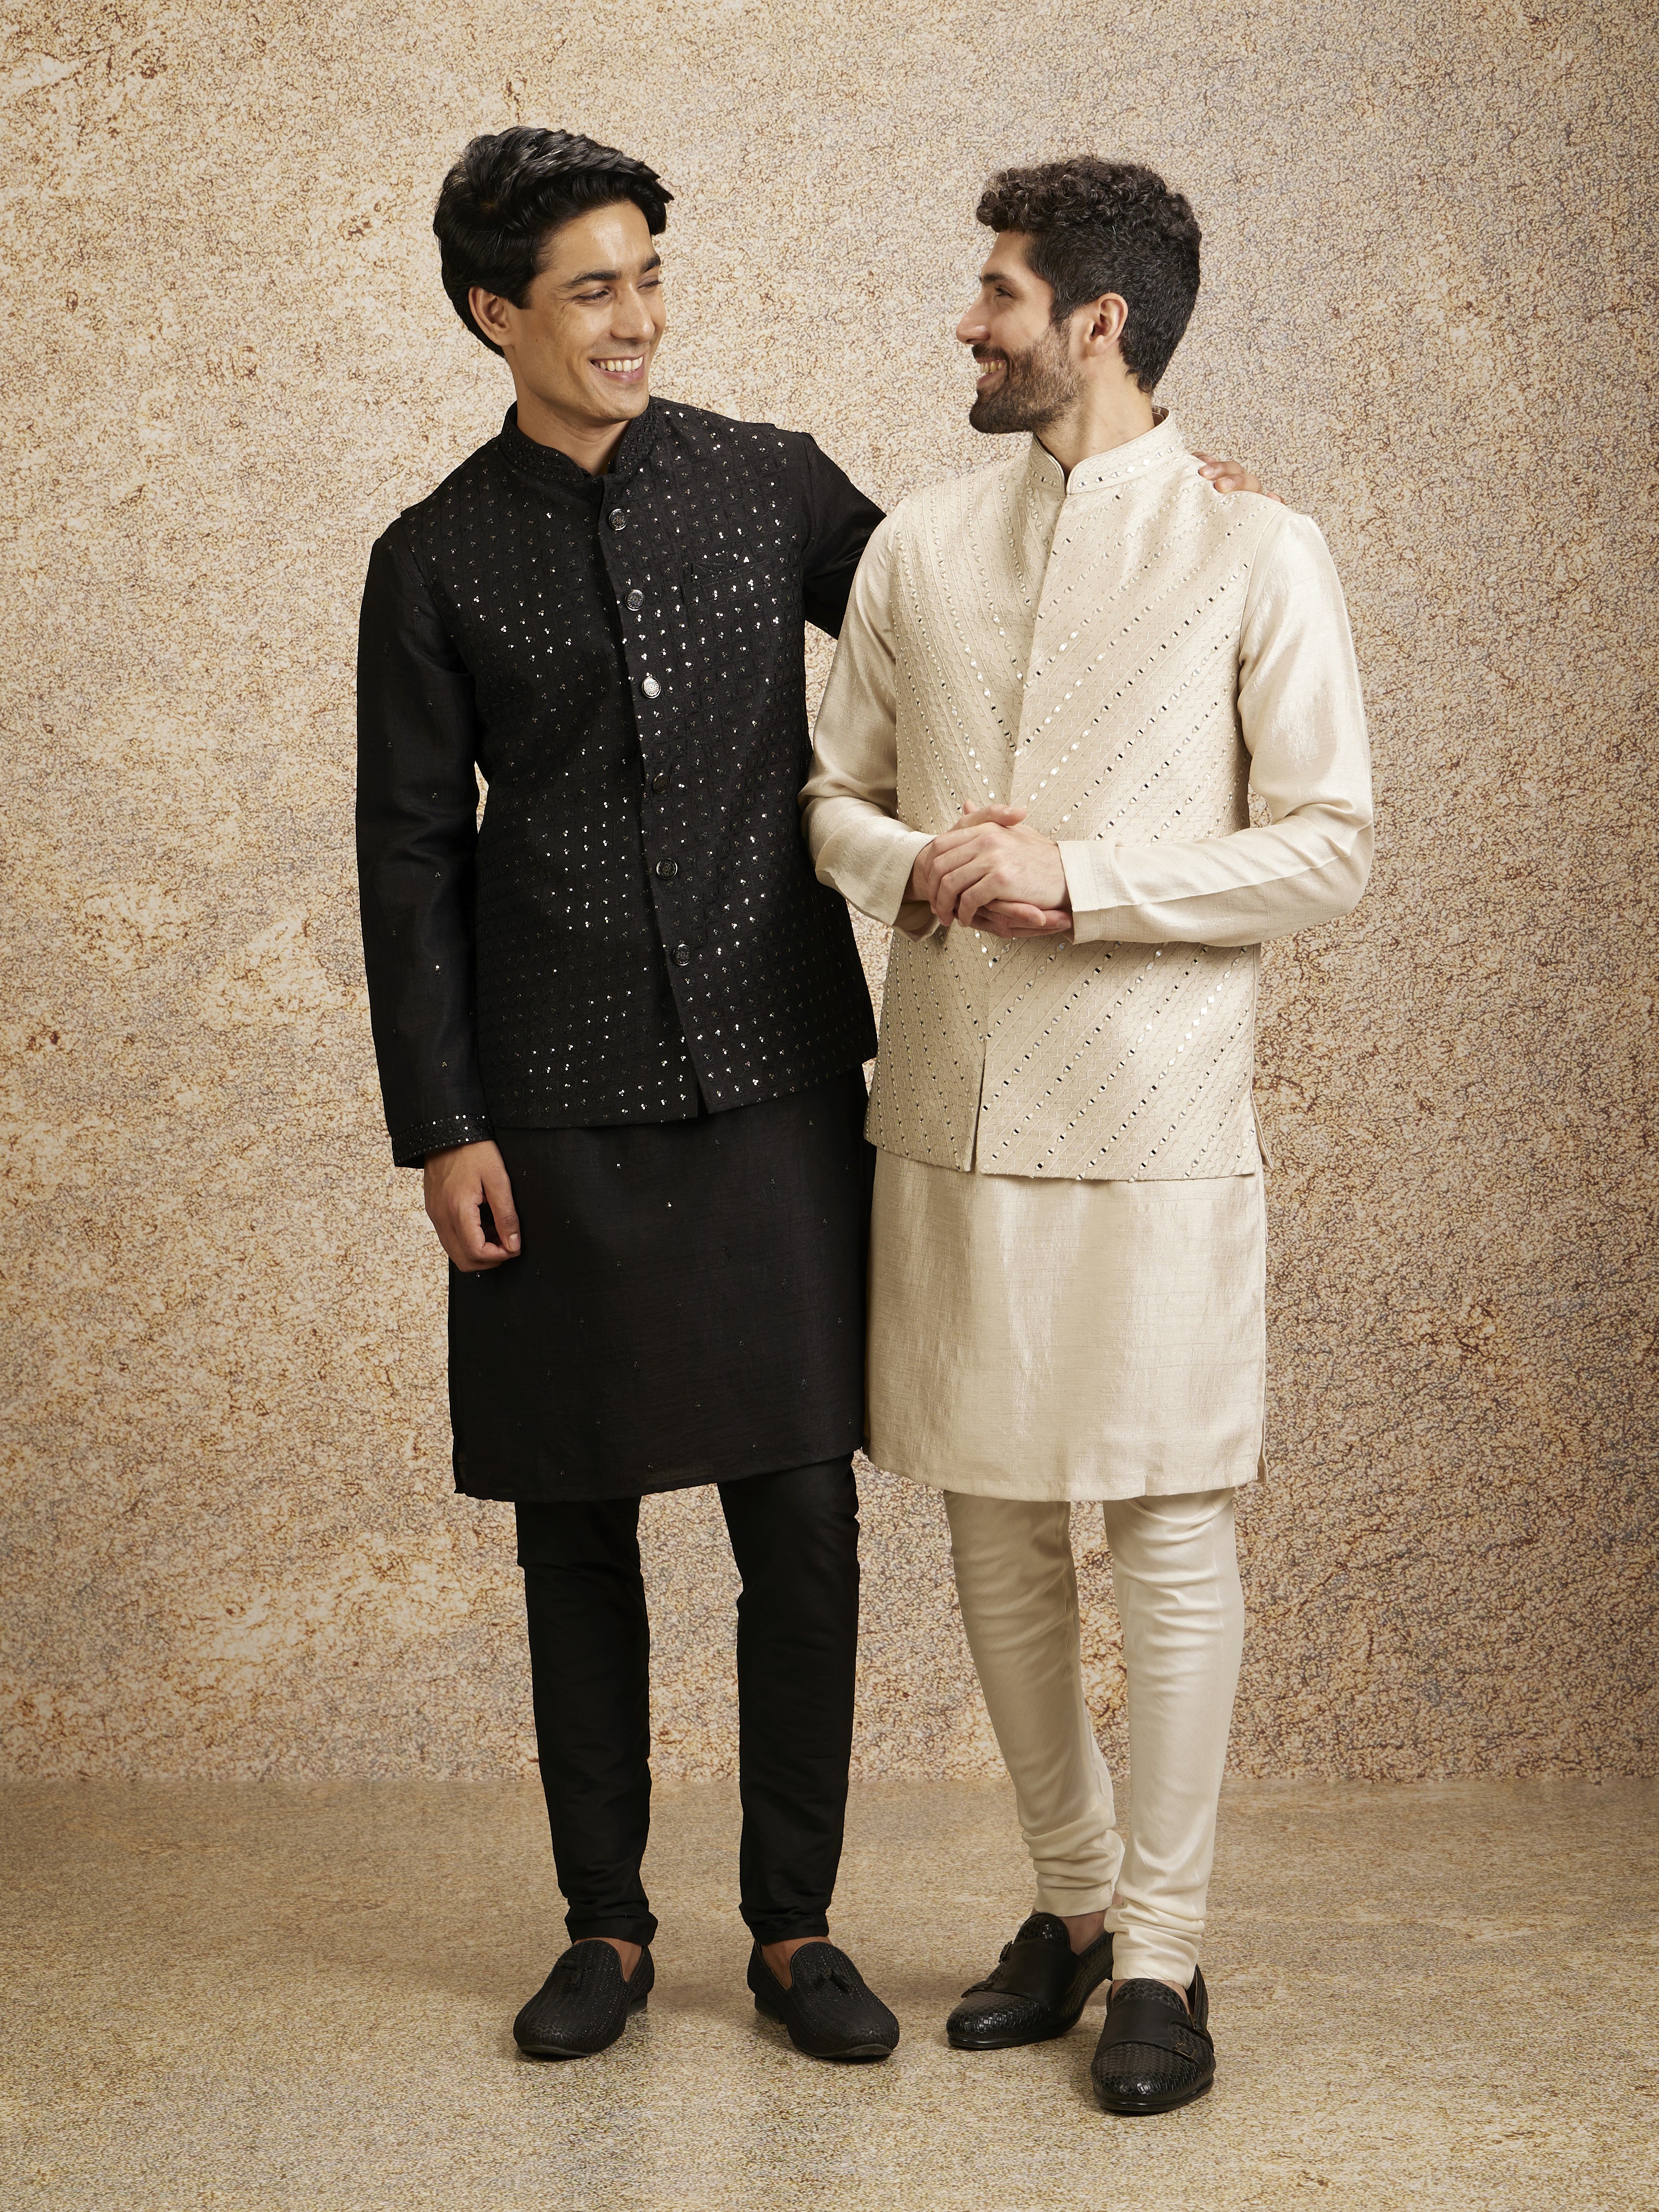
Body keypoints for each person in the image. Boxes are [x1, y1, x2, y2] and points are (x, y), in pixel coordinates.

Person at [356, 125, 1268, 2069]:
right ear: (495, 313)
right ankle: (605, 1927)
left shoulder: (771, 486)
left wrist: (1168, 501)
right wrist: (442, 1122)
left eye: (649, 279)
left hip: (779, 1081)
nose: (634, 320)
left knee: (804, 1522)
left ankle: (793, 1928)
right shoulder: (430, 558)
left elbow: (982, 599)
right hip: (549, 1098)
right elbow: (409, 851)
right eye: (591, 290)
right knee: (573, 1528)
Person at [802, 155, 1372, 2114]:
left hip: (1155, 1124)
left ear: (1098, 322)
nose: (967, 323)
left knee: (1167, 1529)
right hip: (946, 1111)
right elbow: (833, 797)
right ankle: (1065, 1904)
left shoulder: (1257, 550)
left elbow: (1327, 842)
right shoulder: (918, 547)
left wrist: (1086, 879)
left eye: (999, 295)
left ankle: (1163, 1955)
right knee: (988, 1519)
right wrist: (920, 866)